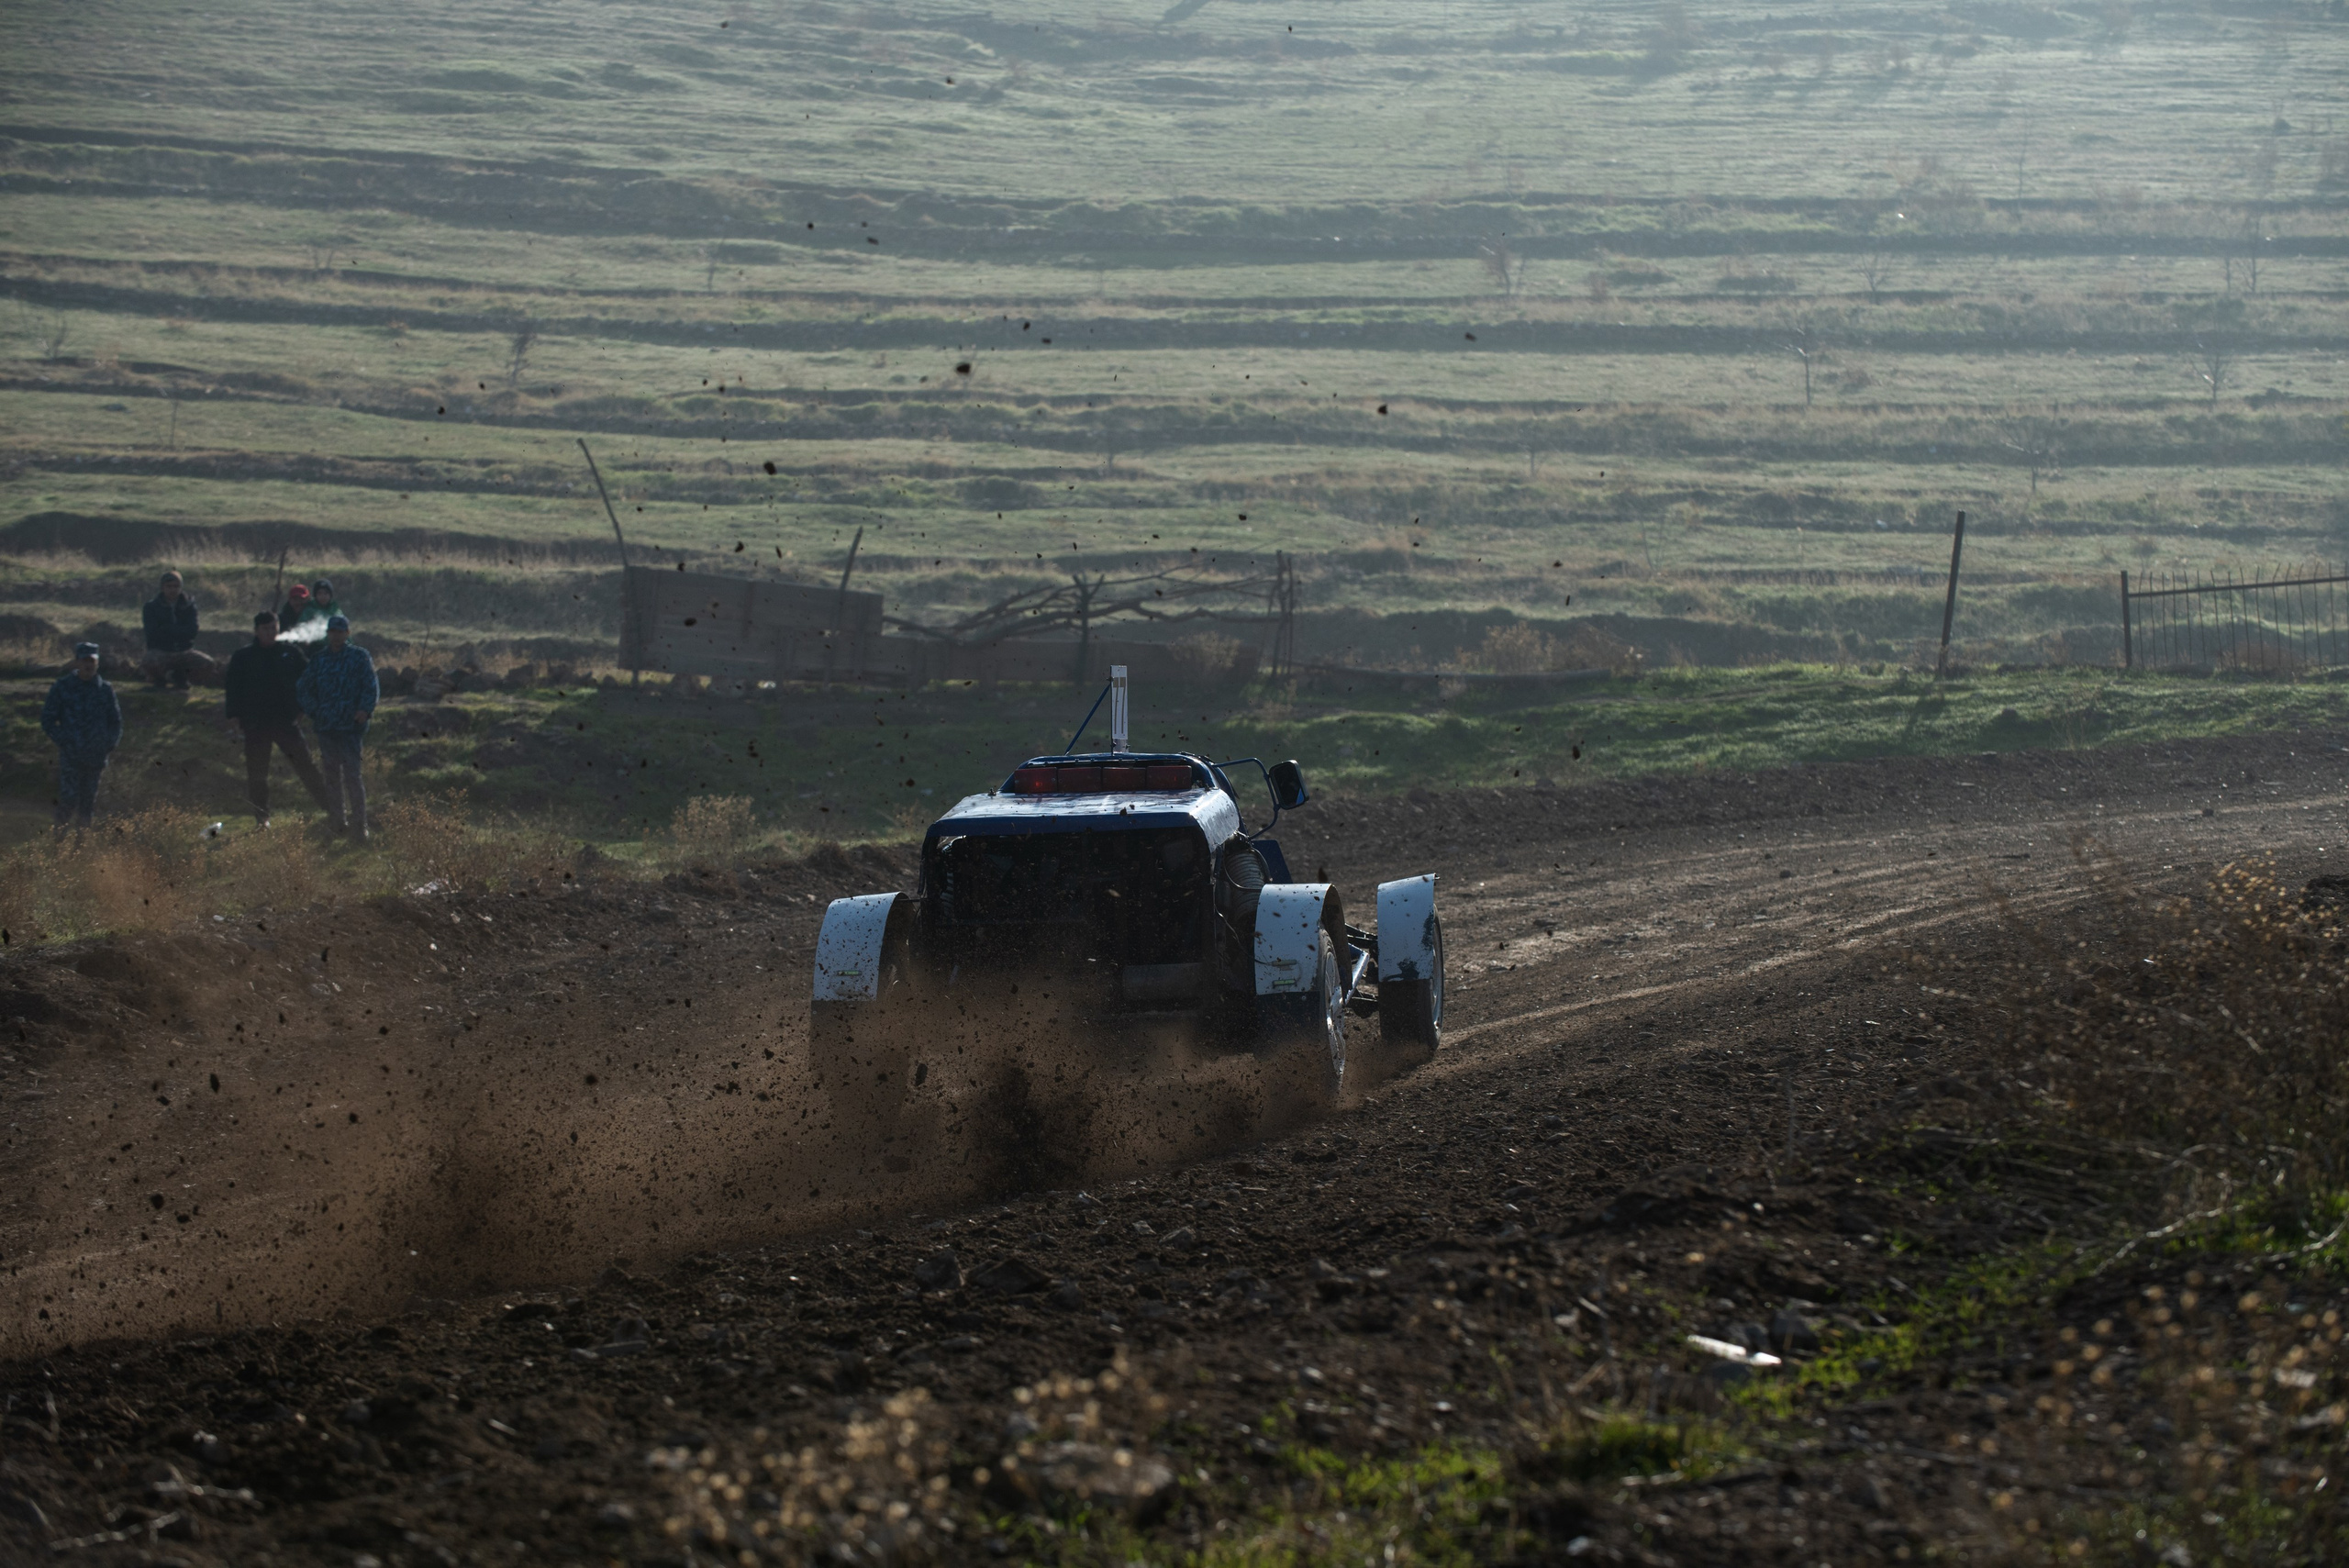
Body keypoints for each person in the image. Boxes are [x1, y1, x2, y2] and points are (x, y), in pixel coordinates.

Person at [222, 610, 332, 828]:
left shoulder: (291, 652)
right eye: (265, 629)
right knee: (257, 773)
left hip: (286, 722)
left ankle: (332, 809)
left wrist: (303, 707)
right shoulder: (243, 657)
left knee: (306, 767)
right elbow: (232, 688)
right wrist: (233, 715)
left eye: (274, 628)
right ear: (256, 631)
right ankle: (262, 818)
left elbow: (310, 679)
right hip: (255, 723)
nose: (270, 633)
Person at [296, 614, 378, 842]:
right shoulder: (319, 660)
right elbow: (303, 688)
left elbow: (370, 686)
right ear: (328, 634)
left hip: (351, 728)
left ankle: (360, 825)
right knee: (331, 777)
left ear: (347, 634)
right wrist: (314, 710)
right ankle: (337, 822)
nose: (336, 636)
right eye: (333, 632)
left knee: (353, 776)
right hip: (327, 727)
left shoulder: (359, 657)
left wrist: (365, 709)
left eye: (340, 632)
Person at [40, 642, 122, 836]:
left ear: (97, 663)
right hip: (72, 756)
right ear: (76, 662)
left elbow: (116, 722)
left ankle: (80, 850)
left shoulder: (105, 689)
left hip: (95, 757)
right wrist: (64, 740)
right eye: (84, 661)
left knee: (87, 805)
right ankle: (58, 845)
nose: (88, 665)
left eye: (92, 661)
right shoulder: (62, 688)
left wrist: (108, 745)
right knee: (69, 800)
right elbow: (48, 720)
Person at [139, 570, 216, 688]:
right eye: (169, 586)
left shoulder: (189, 606)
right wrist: (179, 631)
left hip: (184, 650)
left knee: (207, 663)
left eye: (176, 586)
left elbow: (192, 631)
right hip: (161, 650)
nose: (172, 590)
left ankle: (181, 678)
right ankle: (160, 680)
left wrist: (167, 629)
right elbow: (152, 633)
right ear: (162, 588)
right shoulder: (151, 607)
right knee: (149, 661)